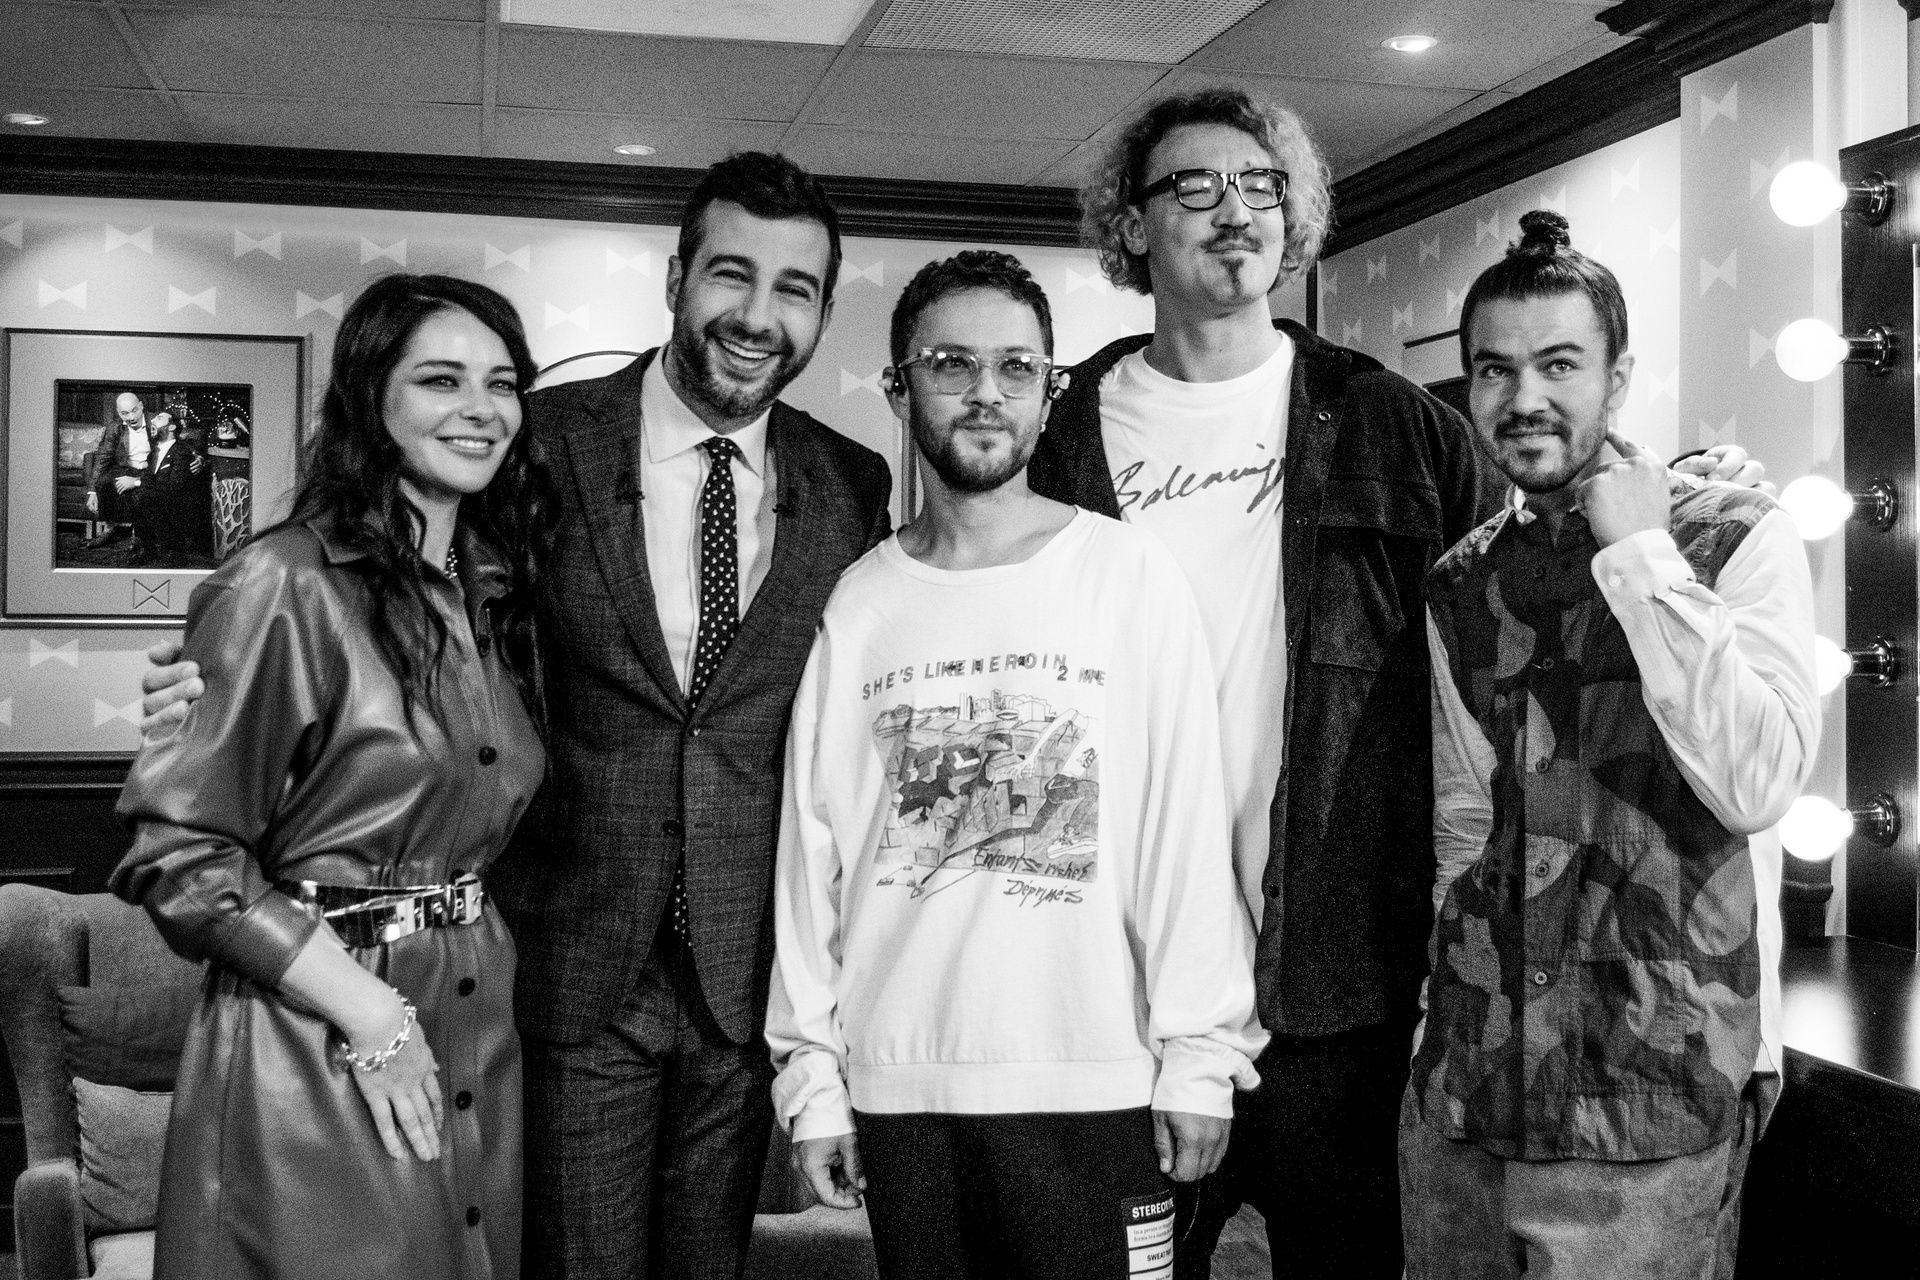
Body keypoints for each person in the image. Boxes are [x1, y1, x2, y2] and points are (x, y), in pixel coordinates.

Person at [1027, 87, 1770, 1278]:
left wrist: (1678, 496)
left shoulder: (1390, 420)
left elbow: (1531, 574)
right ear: (1130, 223)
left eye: (1262, 184)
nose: (1235, 210)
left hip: (1346, 982)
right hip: (1118, 969)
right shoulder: (1057, 436)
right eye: (1195, 185)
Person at [134, 152, 891, 1278]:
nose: (758, 314)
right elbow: (350, 585)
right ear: (677, 278)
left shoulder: (853, 482)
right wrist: (195, 692)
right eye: (731, 274)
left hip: (745, 985)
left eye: (797, 288)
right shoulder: (534, 439)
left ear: (824, 310)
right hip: (561, 968)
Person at [769, 249, 1264, 1280]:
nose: (986, 392)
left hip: (1097, 1082)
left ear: (1049, 392)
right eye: (951, 364)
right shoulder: (860, 603)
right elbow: (809, 863)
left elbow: (1182, 835)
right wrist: (813, 1080)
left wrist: (1201, 1055)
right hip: (905, 1088)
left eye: (1016, 367)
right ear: (900, 389)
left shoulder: (1127, 577)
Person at [1401, 211, 1818, 1280]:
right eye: (1494, 369)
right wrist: (1433, 1029)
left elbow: (1759, 781)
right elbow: (1465, 824)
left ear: (1618, 376)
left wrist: (1642, 554)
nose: (1523, 397)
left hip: (1652, 1090)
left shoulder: (1733, 536)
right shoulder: (1460, 583)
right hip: (1467, 1087)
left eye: (1559, 364)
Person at [111, 273, 552, 1279]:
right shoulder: (284, 581)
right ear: (370, 397)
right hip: (316, 1032)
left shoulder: (493, 591)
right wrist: (373, 1014)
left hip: (476, 1018)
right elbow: (180, 855)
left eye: (502, 383)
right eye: (441, 379)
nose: (480, 408)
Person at [128, 406, 212, 565]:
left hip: (179, 502)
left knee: (143, 495)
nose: (152, 421)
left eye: (159, 419)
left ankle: (175, 551)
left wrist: (137, 482)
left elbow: (175, 485)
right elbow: (150, 479)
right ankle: (148, 548)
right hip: (160, 496)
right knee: (136, 495)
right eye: (153, 418)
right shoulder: (154, 453)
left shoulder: (182, 451)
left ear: (172, 427)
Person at [85, 390, 154, 548]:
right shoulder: (115, 428)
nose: (131, 417)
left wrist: (197, 457)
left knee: (139, 494)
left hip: (149, 469)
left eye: (134, 411)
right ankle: (110, 529)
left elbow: (175, 442)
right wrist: (92, 491)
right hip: (126, 467)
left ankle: (139, 535)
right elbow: (103, 458)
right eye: (125, 413)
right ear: (118, 412)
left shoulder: (154, 422)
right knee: (103, 483)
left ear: (141, 406)